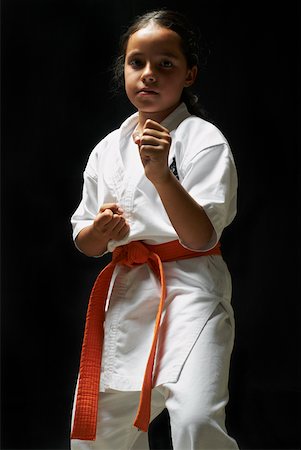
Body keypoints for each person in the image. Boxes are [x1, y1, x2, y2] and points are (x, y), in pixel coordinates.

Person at [70, 9, 239, 450]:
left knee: (196, 419)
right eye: (136, 62)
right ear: (123, 70)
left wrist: (163, 176)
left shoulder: (203, 139)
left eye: (166, 64)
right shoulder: (107, 148)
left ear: (189, 74)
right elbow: (86, 243)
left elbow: (202, 238)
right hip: (128, 294)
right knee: (98, 431)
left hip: (191, 291)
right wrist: (103, 232)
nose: (149, 74)